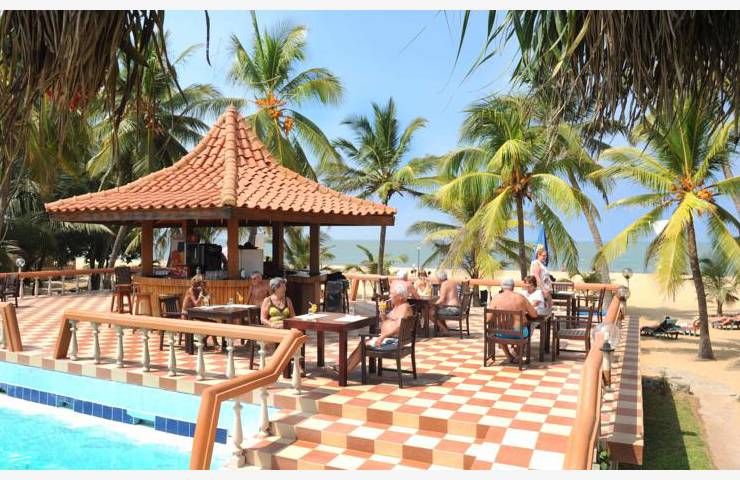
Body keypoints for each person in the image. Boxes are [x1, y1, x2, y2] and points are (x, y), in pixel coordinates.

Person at [346, 282, 414, 372]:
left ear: (400, 297)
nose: (390, 296)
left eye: (392, 294)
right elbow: (388, 322)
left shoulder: (404, 308)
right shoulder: (398, 306)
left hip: (393, 342)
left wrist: (382, 337)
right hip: (391, 340)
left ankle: (345, 370)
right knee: (363, 343)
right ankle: (345, 366)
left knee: (363, 345)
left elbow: (399, 326)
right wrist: (382, 313)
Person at [487, 277, 538, 363]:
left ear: (501, 287)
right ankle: (518, 354)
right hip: (519, 333)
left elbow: (488, 319)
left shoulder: (496, 298)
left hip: (502, 334)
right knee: (525, 330)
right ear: (513, 287)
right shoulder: (521, 298)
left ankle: (509, 356)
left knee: (499, 329)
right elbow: (534, 315)